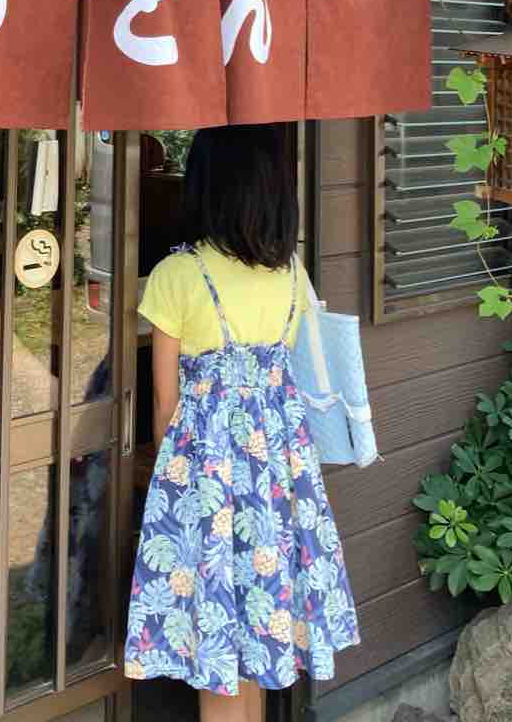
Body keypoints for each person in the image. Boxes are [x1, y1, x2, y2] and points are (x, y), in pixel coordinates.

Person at [124, 124, 359, 719]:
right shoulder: (290, 272)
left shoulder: (178, 274)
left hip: (205, 478)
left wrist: (160, 474)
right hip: (279, 476)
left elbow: (163, 402)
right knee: (259, 625)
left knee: (214, 634)